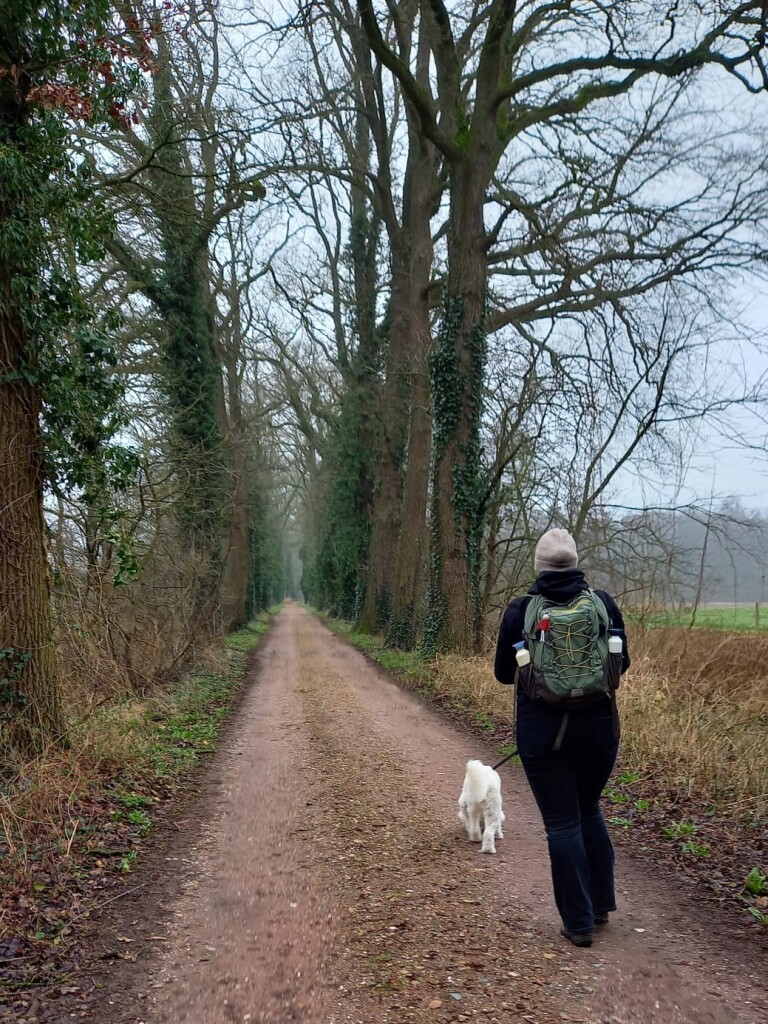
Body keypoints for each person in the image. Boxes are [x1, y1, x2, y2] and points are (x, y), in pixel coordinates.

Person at [494, 528, 630, 948]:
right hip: (599, 733)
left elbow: (503, 673)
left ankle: (578, 923)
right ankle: (600, 905)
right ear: (574, 564)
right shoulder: (603, 604)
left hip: (543, 736)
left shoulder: (520, 610)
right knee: (588, 808)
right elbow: (621, 664)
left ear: (539, 567)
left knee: (562, 822)